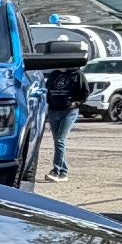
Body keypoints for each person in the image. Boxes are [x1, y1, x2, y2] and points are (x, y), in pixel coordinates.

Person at [39, 40, 90, 180]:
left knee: (60, 140)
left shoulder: (78, 75)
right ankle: (63, 171)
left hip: (69, 111)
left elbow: (85, 93)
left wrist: (76, 103)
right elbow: (47, 90)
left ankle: (56, 171)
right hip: (54, 110)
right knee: (57, 141)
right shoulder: (54, 74)